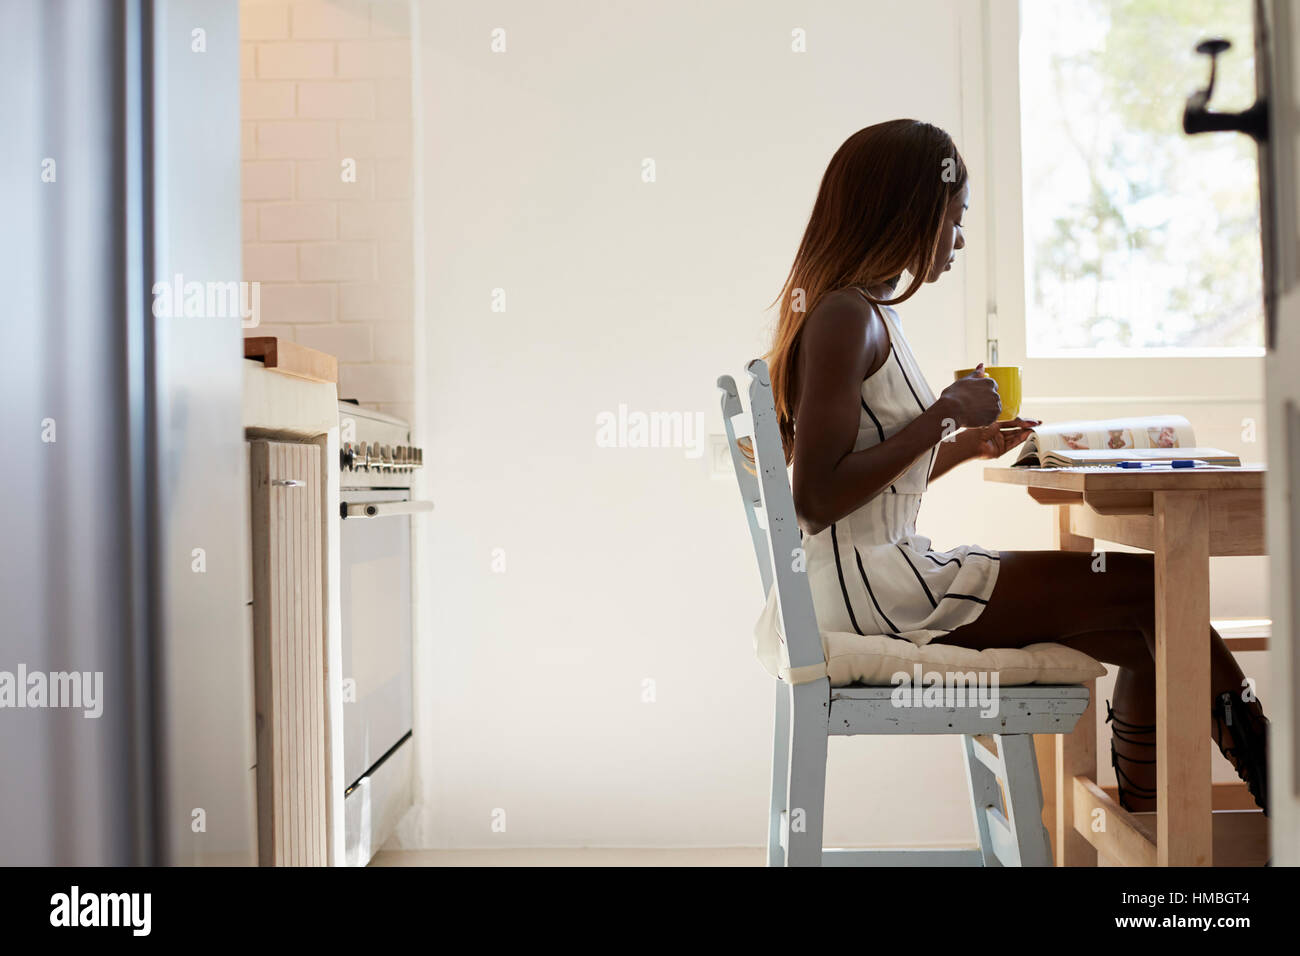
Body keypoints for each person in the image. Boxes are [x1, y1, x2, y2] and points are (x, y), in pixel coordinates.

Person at [763, 119, 1268, 815]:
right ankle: (1281, 806)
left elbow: (860, 481)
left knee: (1152, 628)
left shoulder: (863, 310)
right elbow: (816, 498)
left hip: (874, 580)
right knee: (1155, 591)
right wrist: (944, 412)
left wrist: (964, 443)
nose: (959, 238)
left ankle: (1159, 841)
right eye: (954, 217)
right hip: (876, 595)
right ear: (909, 209)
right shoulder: (846, 316)